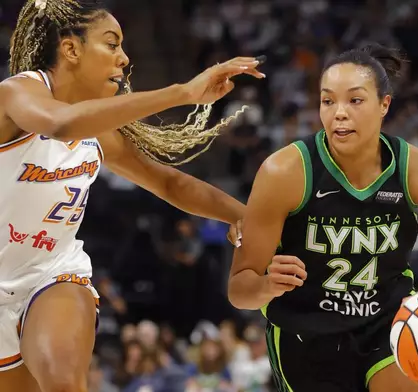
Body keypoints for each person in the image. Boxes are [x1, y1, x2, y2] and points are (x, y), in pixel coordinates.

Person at [0, 1, 265, 391]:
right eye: (111, 44)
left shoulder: (98, 126)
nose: (124, 58)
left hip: (51, 271)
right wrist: (181, 93)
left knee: (63, 382)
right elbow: (60, 124)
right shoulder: (17, 93)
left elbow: (170, 183)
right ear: (71, 50)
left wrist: (247, 217)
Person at [228, 43, 418, 392]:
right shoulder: (285, 172)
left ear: (384, 104)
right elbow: (238, 289)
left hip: (388, 323)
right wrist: (265, 286)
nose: (339, 113)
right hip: (305, 331)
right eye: (327, 101)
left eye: (354, 100)